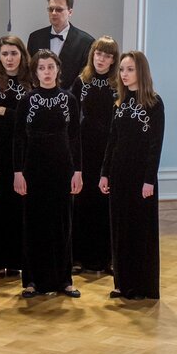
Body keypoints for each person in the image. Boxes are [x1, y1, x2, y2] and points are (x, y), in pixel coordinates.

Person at [13, 50, 82, 298]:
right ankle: (32, 280)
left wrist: (78, 171)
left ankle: (64, 280)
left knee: (63, 223)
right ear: (35, 72)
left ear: (58, 69)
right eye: (41, 68)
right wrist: (17, 172)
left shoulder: (69, 99)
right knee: (34, 224)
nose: (46, 72)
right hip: (33, 168)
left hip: (62, 168)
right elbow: (18, 138)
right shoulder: (27, 100)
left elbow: (75, 137)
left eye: (50, 67)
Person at [100, 51, 164, 301]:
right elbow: (112, 141)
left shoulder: (154, 103)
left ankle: (142, 285)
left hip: (141, 176)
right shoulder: (119, 102)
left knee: (140, 230)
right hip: (119, 173)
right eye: (122, 70)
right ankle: (122, 283)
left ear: (141, 72)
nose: (124, 74)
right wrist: (105, 173)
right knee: (120, 229)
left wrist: (149, 179)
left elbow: (155, 145)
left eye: (130, 69)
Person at [0, 35, 31, 278]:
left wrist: (5, 111)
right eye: (4, 54)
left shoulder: (31, 80)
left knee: (19, 205)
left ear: (22, 54)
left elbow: (30, 116)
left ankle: (16, 261)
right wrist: (15, 113)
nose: (9, 58)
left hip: (25, 149)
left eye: (14, 53)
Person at [69, 36, 119, 274]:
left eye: (107, 56)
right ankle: (78, 257)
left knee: (104, 203)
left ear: (113, 60)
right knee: (82, 202)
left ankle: (106, 258)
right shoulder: (81, 81)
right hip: (85, 149)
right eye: (99, 54)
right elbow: (72, 117)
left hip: (108, 148)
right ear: (93, 55)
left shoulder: (117, 84)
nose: (102, 59)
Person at [26, 0, 96, 88]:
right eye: (51, 9)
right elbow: (30, 71)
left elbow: (84, 76)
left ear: (70, 12)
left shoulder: (86, 42)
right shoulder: (35, 37)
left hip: (71, 96)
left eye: (59, 9)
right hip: (39, 94)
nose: (54, 13)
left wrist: (66, 95)